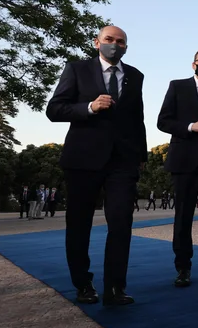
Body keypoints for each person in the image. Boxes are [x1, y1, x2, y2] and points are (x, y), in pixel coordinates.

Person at [45, 25, 147, 306]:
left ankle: (115, 287)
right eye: (109, 40)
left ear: (126, 46)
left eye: (120, 41)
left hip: (122, 161)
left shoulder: (135, 75)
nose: (114, 45)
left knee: (121, 223)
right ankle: (83, 284)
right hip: (83, 158)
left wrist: (141, 154)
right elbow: (54, 109)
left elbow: (137, 117)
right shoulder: (77, 69)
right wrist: (89, 107)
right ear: (97, 42)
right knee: (79, 224)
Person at [157, 48, 198, 287]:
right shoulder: (178, 86)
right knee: (183, 215)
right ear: (193, 64)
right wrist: (190, 126)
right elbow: (163, 121)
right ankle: (183, 267)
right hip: (185, 159)